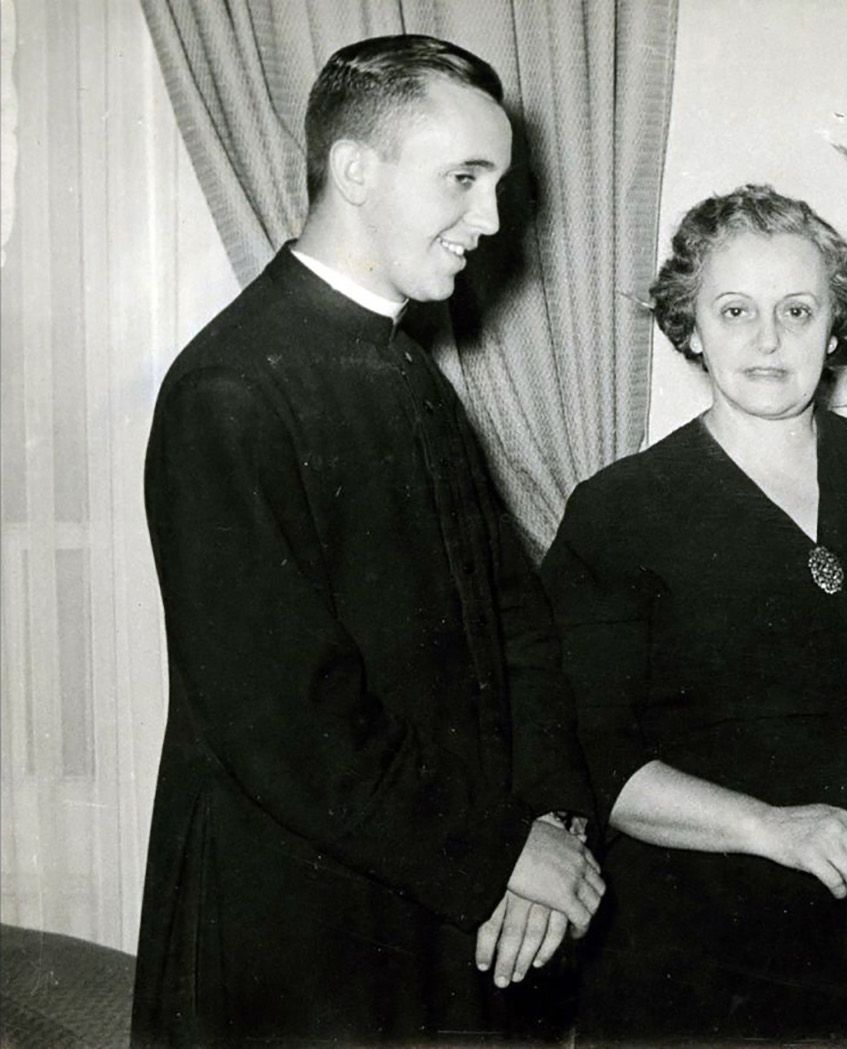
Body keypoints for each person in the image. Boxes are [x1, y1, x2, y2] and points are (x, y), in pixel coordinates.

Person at [132, 35, 604, 1046]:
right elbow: (285, 722)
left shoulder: (404, 369)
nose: (489, 220)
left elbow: (516, 623)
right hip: (299, 940)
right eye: (463, 180)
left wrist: (550, 819)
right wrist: (500, 855)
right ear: (354, 170)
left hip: (442, 906)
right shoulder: (229, 391)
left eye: (498, 184)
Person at [540, 185, 847, 1044]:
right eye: (735, 311)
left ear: (836, 325)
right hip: (705, 954)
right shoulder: (618, 514)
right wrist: (770, 828)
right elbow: (593, 754)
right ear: (689, 326)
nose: (768, 340)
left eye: (798, 310)